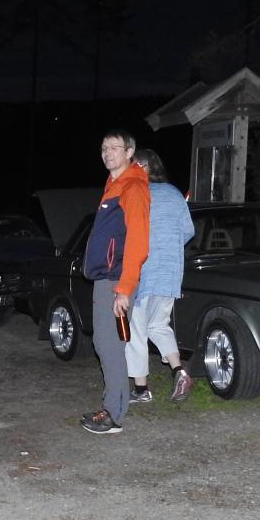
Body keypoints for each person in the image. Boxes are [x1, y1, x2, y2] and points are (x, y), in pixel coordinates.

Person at [81, 129, 150, 435]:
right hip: (105, 279)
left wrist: (124, 288)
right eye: (104, 148)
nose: (107, 153)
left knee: (110, 346)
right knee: (104, 343)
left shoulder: (133, 187)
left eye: (114, 148)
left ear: (129, 152)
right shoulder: (113, 184)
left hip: (116, 281)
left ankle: (114, 414)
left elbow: (138, 242)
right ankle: (111, 406)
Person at [126, 149, 196, 404]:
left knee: (135, 330)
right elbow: (188, 231)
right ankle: (179, 371)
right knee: (158, 325)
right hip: (170, 273)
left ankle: (141, 390)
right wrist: (168, 246)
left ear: (144, 167)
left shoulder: (138, 193)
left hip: (144, 271)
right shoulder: (174, 193)